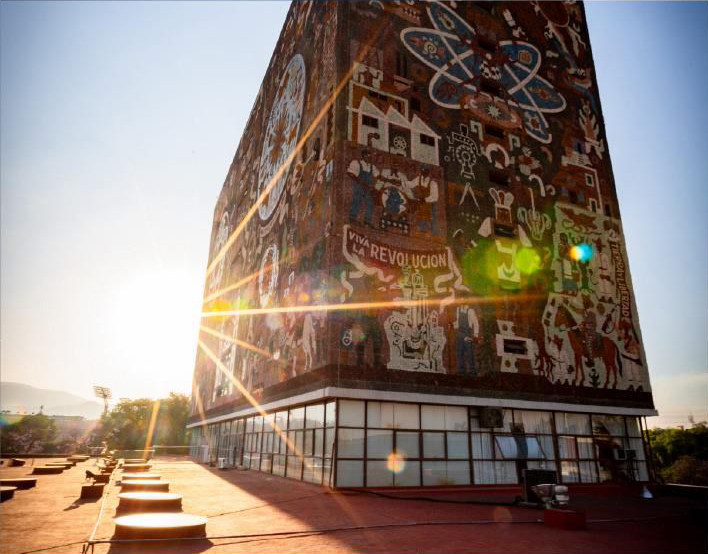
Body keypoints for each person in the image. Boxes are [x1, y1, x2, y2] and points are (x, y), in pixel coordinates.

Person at [347, 149, 379, 227]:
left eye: (370, 156)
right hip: (359, 186)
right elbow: (350, 174)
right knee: (357, 200)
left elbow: (378, 176)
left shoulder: (372, 167)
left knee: (370, 203)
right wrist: (361, 183)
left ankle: (367, 222)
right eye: (368, 156)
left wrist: (389, 180)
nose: (370, 158)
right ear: (364, 156)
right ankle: (352, 219)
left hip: (368, 187)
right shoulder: (356, 163)